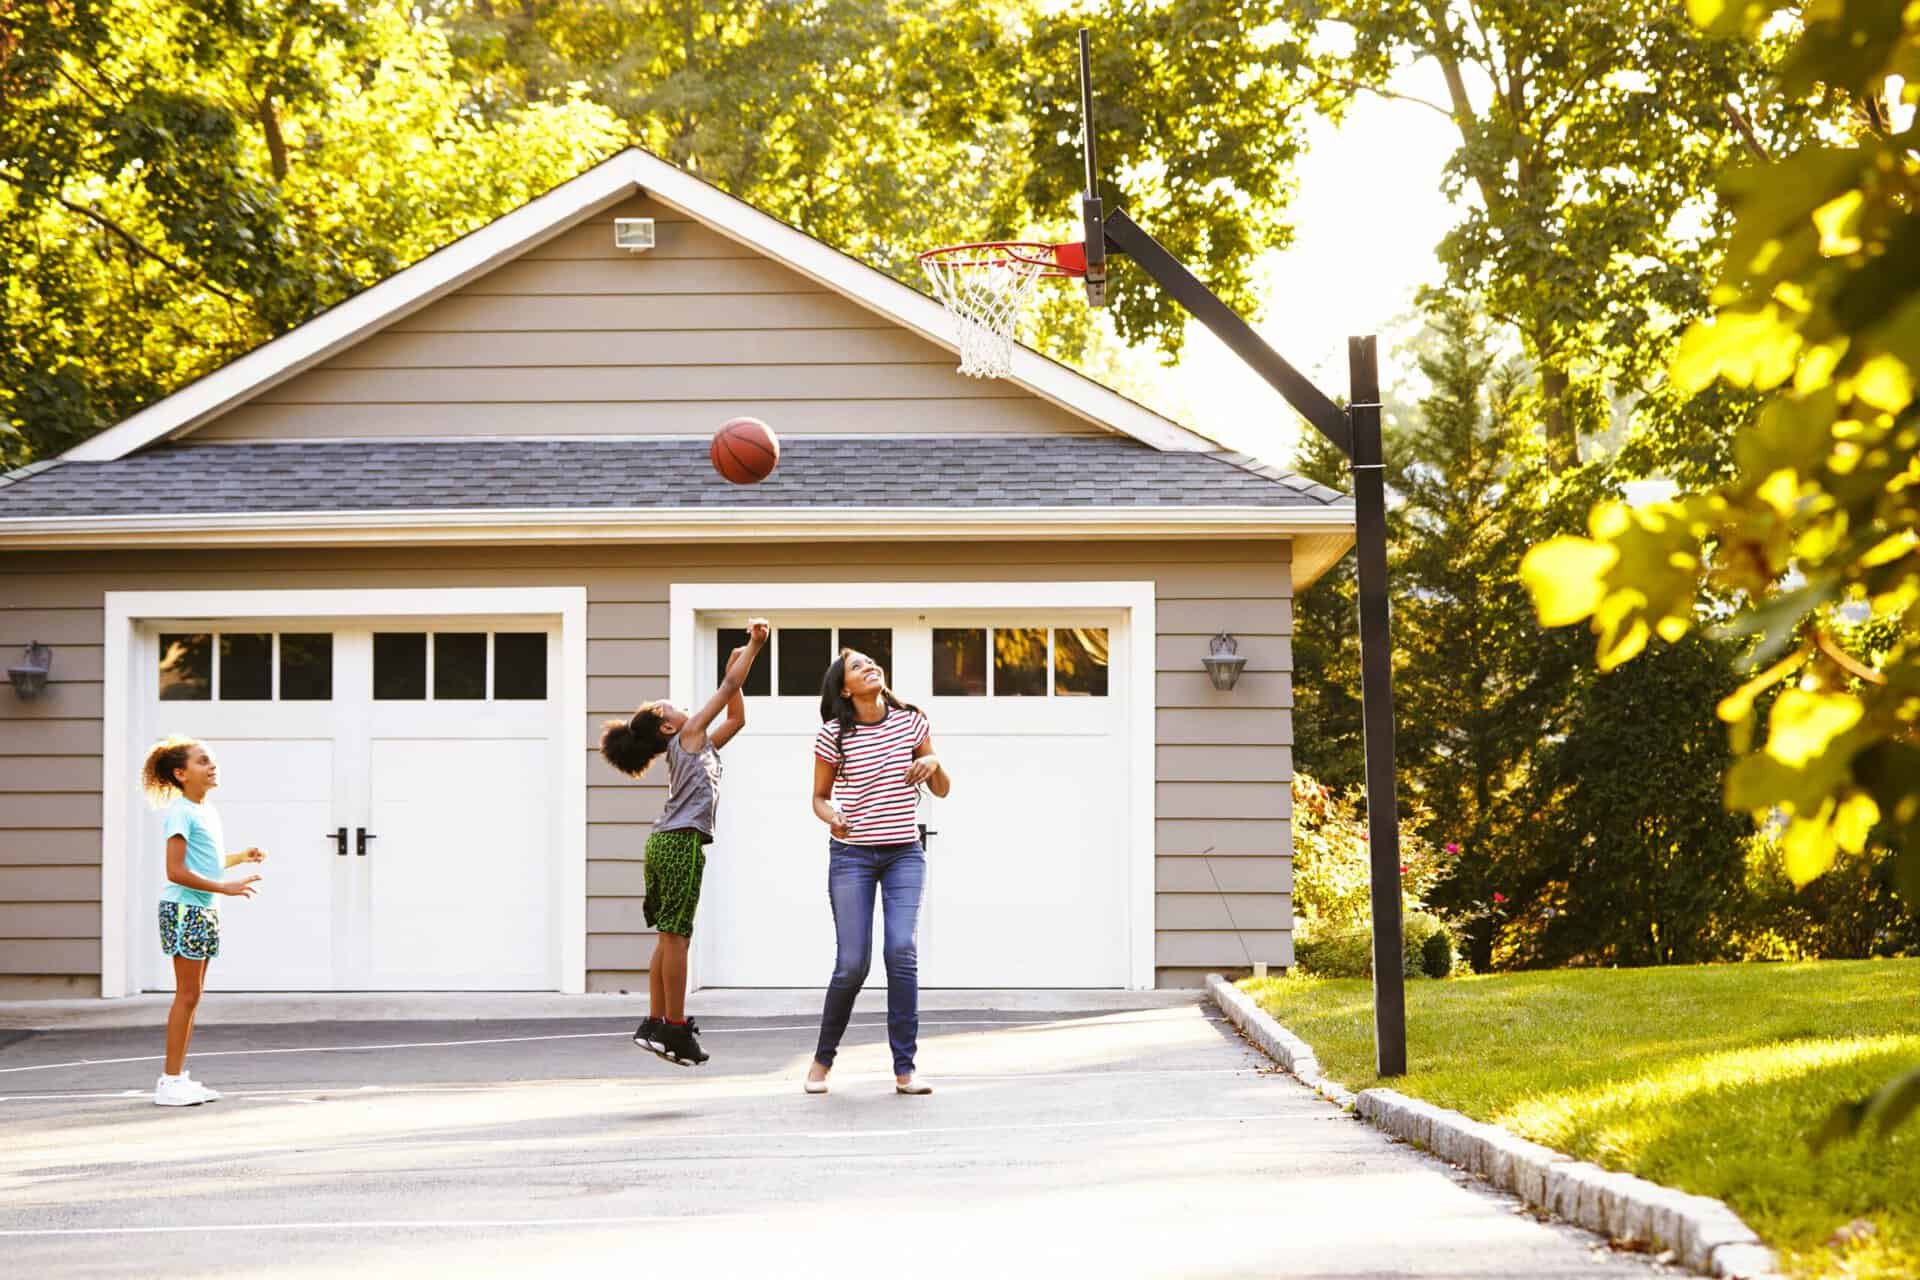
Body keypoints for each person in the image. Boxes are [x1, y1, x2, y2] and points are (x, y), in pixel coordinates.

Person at [601, 619, 769, 1066]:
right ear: (668, 728)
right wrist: (752, 647)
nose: (676, 706)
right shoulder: (690, 735)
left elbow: (738, 716)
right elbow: (729, 686)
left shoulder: (699, 745)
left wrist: (736, 666)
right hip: (678, 844)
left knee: (666, 936)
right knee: (677, 937)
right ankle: (674, 1028)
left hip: (663, 843)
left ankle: (656, 1021)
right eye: (667, 706)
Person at [804, 648, 951, 1096]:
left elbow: (941, 790)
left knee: (901, 952)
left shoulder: (911, 722)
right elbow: (819, 797)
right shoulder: (833, 735)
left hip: (904, 852)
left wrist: (934, 764)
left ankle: (905, 1069)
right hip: (851, 857)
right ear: (845, 688)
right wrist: (831, 816)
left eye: (872, 662)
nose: (870, 667)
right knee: (852, 964)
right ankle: (822, 1060)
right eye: (857, 666)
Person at [142, 737, 265, 1107]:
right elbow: (175, 871)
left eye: (212, 761)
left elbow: (205, 863)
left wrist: (240, 857)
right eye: (202, 762)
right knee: (187, 995)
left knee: (193, 996)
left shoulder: (205, 810)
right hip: (185, 910)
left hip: (204, 909)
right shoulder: (180, 812)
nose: (212, 766)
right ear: (181, 774)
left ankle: (178, 1077)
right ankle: (169, 1081)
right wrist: (223, 889)